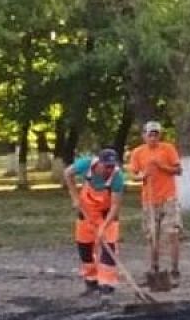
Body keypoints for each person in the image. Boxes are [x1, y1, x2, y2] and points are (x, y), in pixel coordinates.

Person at [63, 148, 126, 297]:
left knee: (108, 248)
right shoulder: (86, 164)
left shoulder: (117, 177)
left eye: (112, 166)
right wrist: (75, 197)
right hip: (86, 211)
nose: (109, 170)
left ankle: (107, 286)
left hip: (107, 215)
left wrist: (103, 227)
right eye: (106, 166)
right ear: (99, 162)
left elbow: (115, 206)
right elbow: (67, 173)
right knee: (84, 247)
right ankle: (91, 282)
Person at [127, 121, 183, 284]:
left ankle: (174, 269)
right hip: (149, 200)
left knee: (172, 233)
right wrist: (142, 176)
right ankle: (154, 268)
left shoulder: (168, 149)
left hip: (168, 198)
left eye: (156, 134)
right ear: (144, 135)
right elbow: (133, 174)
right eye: (150, 134)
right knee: (152, 235)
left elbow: (178, 170)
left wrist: (161, 166)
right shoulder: (138, 152)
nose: (153, 137)